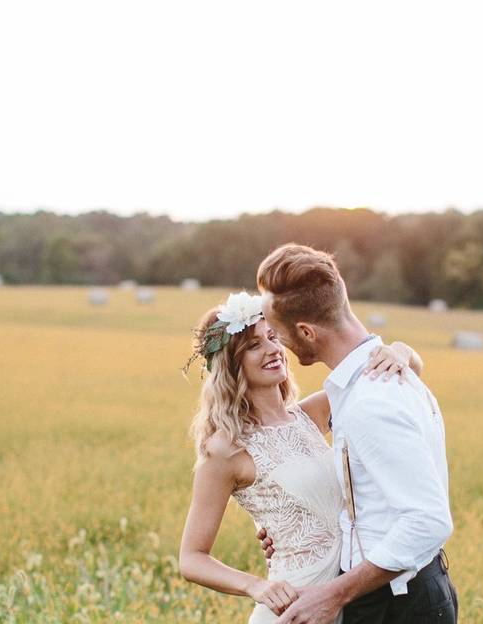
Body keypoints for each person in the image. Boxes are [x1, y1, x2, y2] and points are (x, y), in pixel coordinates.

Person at [178, 291, 425, 624]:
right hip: (293, 605)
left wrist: (398, 351)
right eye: (253, 346)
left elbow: (405, 372)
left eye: (272, 337)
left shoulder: (314, 413)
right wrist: (255, 586)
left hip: (349, 597)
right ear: (231, 365)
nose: (272, 350)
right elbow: (191, 558)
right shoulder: (225, 449)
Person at [256, 244, 457, 624]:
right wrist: (294, 526)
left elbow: (428, 521)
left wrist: (333, 595)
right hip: (389, 596)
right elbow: (368, 499)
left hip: (398, 606)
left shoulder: (370, 401)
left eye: (278, 335)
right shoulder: (367, 381)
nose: (278, 345)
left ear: (305, 331)